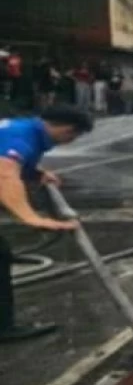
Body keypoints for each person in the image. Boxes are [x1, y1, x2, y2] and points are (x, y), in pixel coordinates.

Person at [0, 106, 92, 340]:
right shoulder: (23, 136)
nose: (69, 142)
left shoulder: (27, 131)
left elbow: (14, 162)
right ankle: (4, 329)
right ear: (67, 130)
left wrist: (35, 173)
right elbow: (5, 174)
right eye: (73, 136)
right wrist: (31, 217)